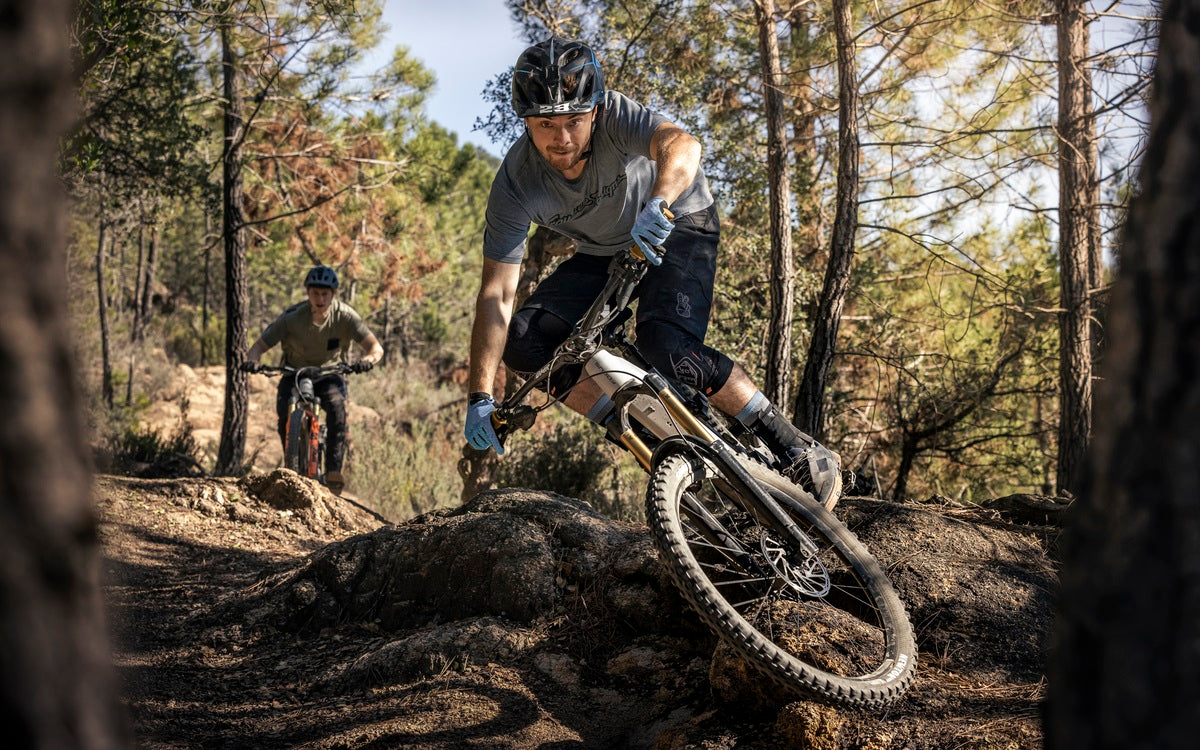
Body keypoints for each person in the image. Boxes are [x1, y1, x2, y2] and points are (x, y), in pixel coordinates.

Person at [463, 38, 844, 508]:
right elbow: (496, 295)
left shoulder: (617, 116)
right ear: (525, 121)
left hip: (679, 218)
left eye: (573, 122)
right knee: (524, 342)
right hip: (605, 250)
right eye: (545, 124)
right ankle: (647, 432)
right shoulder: (516, 183)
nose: (561, 138)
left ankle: (792, 445)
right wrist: (479, 394)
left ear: (595, 112)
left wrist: (659, 201)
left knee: (666, 343)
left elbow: (682, 143)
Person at [242, 265, 383, 494]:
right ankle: (292, 464)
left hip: (329, 374)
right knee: (284, 413)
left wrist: (368, 360)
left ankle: (334, 470)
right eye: (315, 293)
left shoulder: (345, 316)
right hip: (294, 372)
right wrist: (253, 361)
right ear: (308, 293)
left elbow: (375, 347)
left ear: (333, 294)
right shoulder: (292, 318)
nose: (320, 298)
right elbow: (258, 346)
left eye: (325, 293)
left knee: (337, 408)